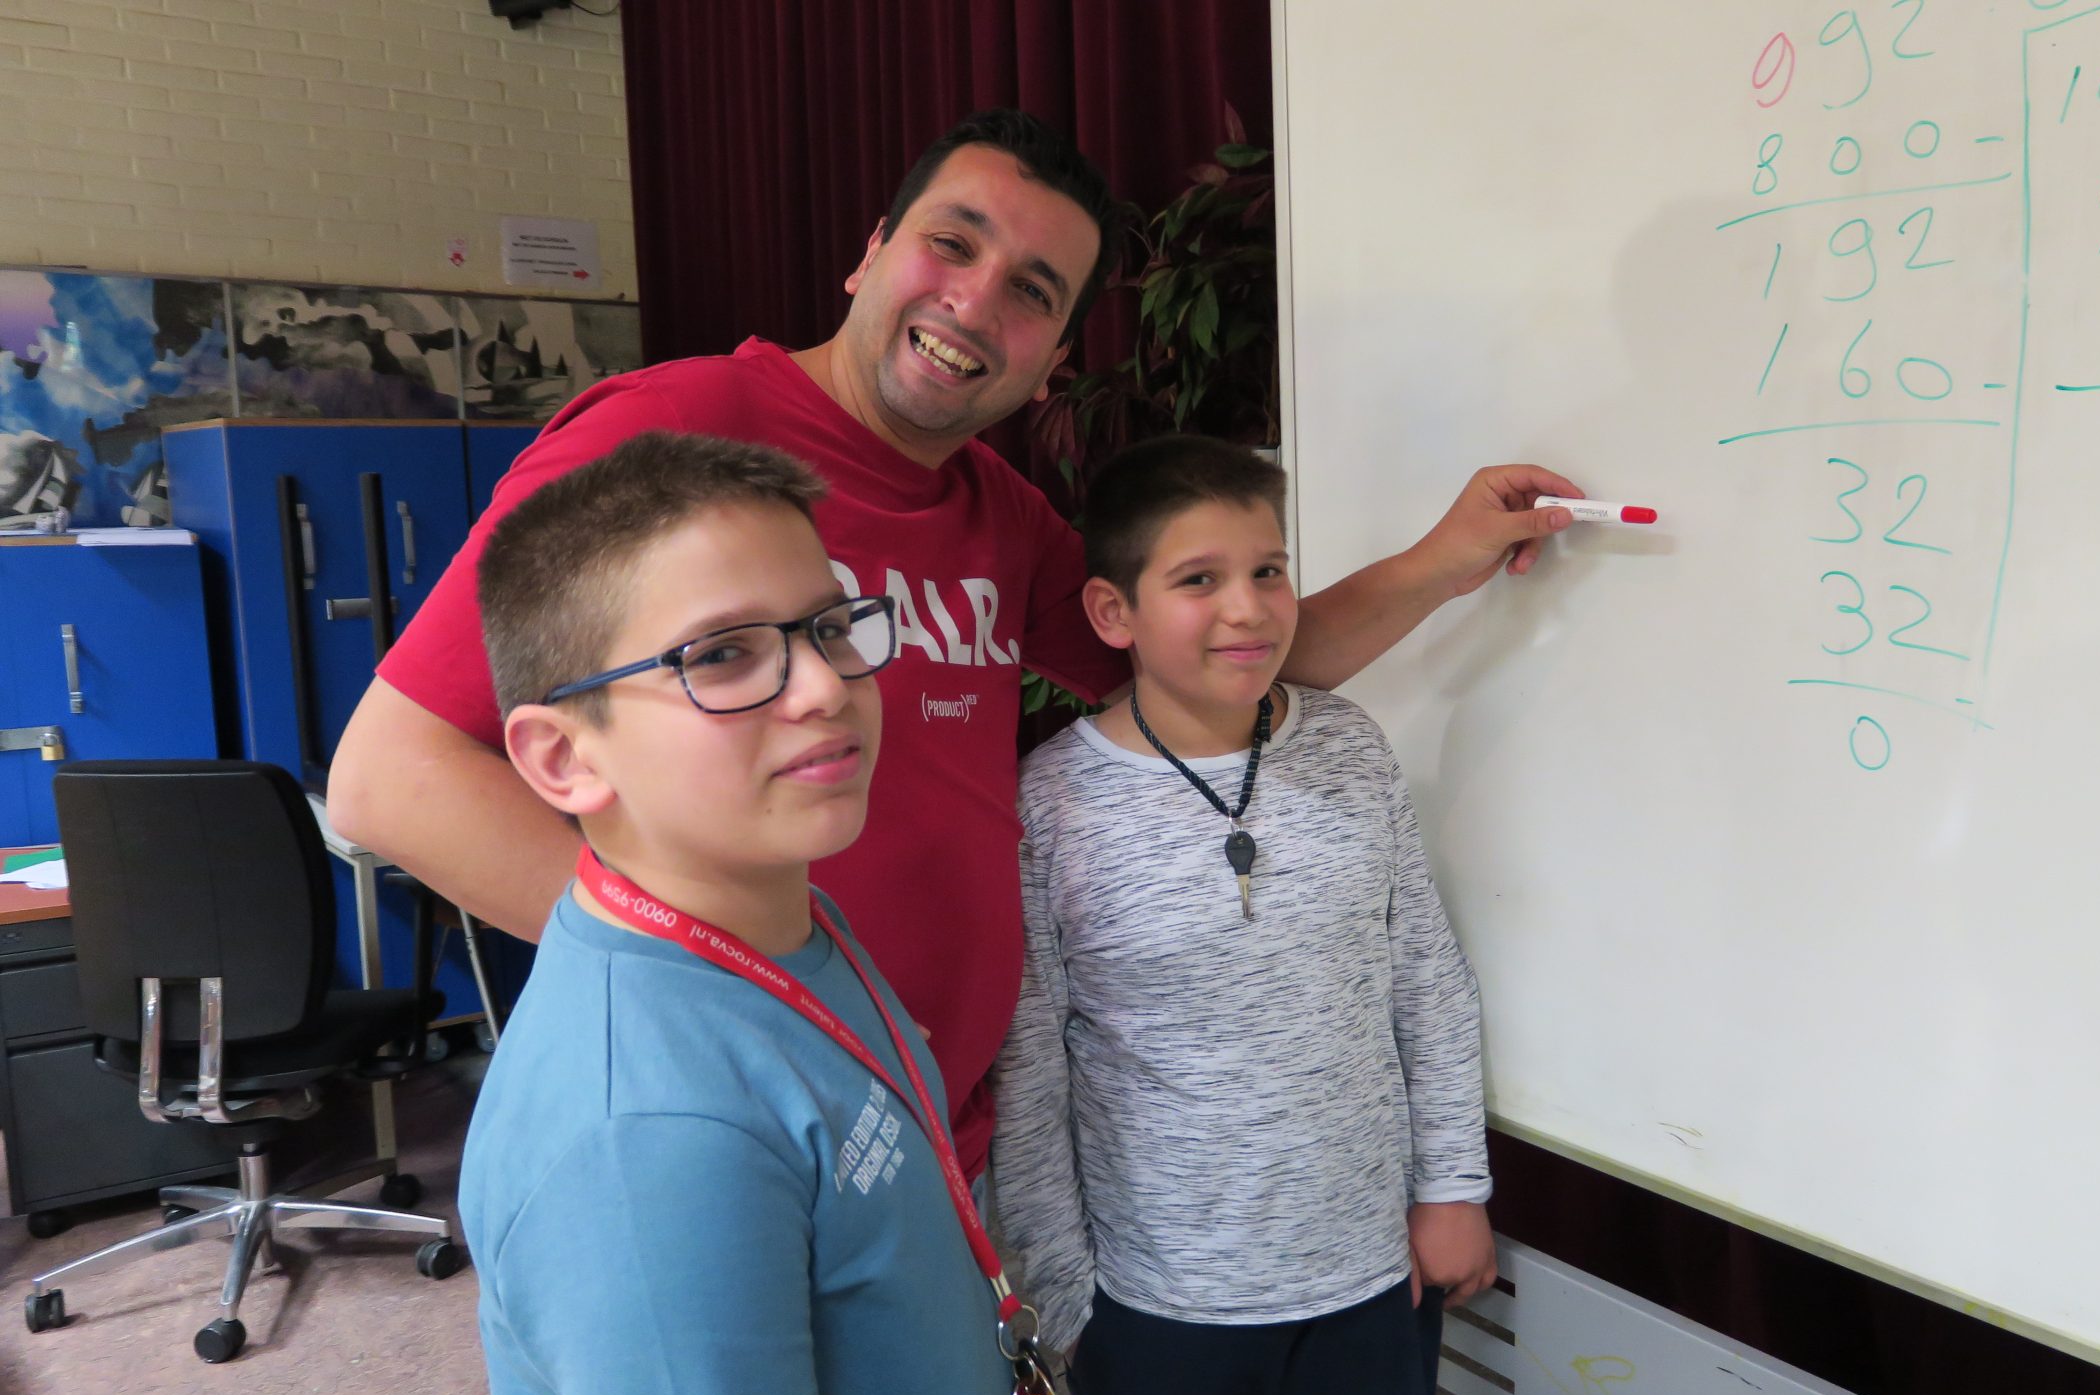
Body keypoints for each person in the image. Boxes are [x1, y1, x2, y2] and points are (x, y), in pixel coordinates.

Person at [329, 107, 1581, 1181]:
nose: (976, 300)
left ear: (1050, 362)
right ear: (870, 254)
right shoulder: (677, 427)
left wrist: (1441, 557)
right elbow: (393, 778)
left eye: (1033, 292)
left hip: (941, 1125)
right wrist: (739, 991)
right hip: (751, 1111)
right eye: (951, 243)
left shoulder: (999, 513)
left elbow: (1232, 665)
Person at [459, 431, 1026, 1395]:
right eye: (722, 655)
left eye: (828, 625)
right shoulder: (646, 1136)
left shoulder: (782, 921)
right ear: (561, 758)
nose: (824, 686)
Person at [992, 436, 1497, 1395]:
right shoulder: (1052, 800)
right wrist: (1067, 1304)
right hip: (1157, 1307)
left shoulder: (1348, 744)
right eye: (1199, 579)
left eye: (1269, 569)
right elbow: (1032, 1065)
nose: (1249, 606)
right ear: (1111, 612)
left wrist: (1453, 1187)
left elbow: (1425, 980)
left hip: (1367, 1276)